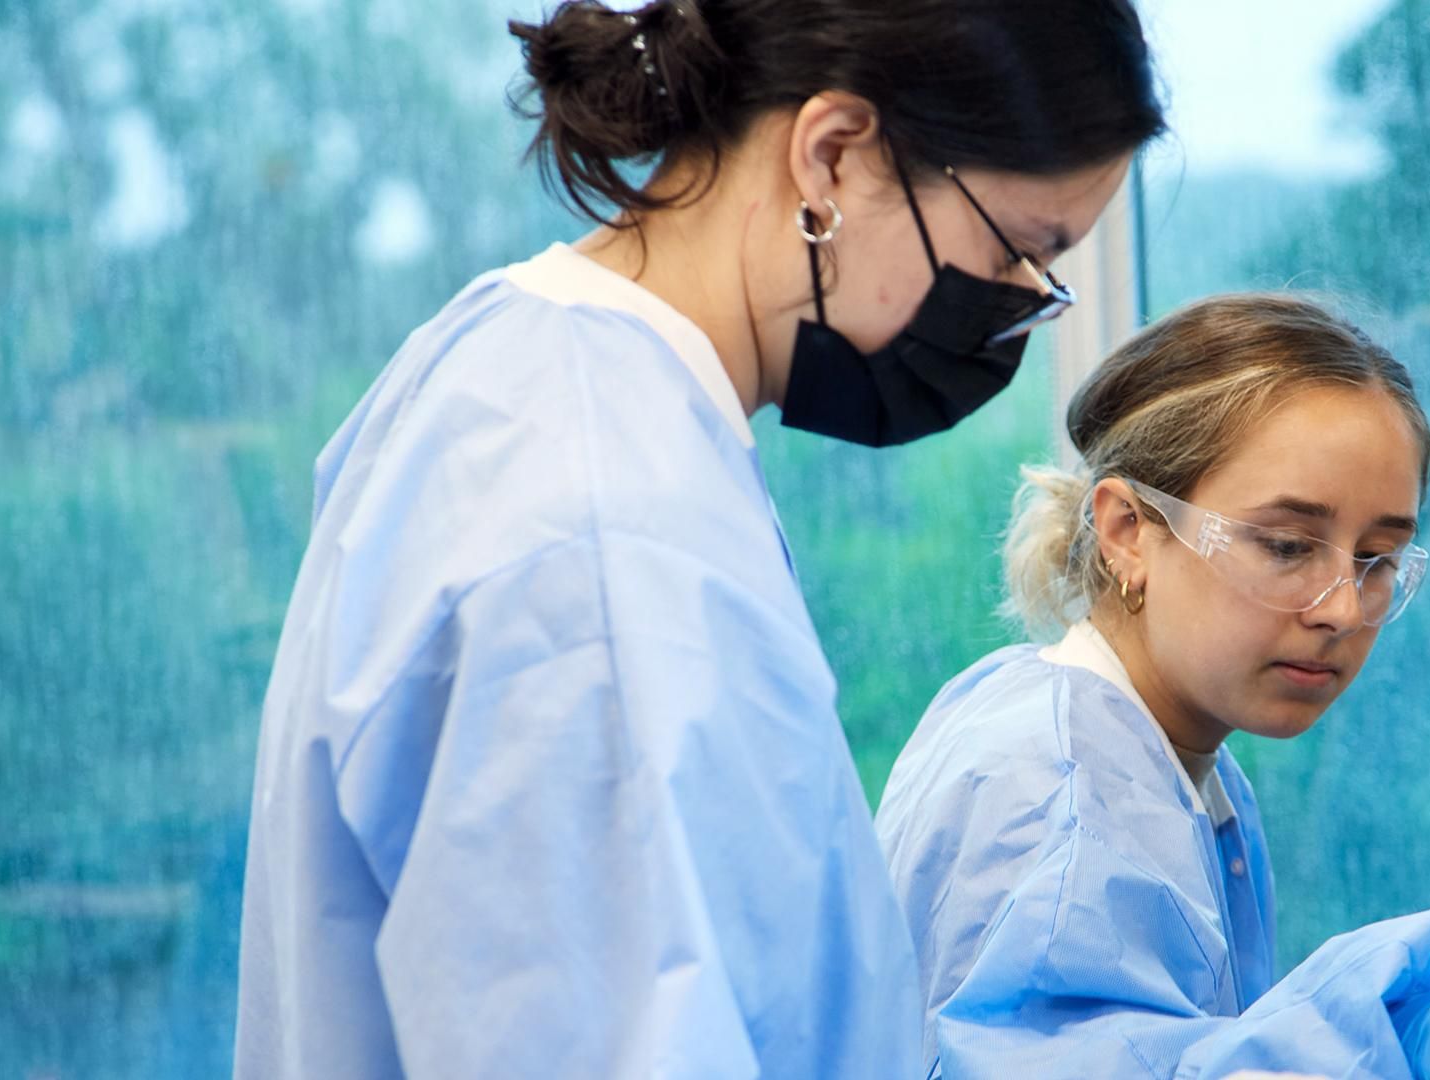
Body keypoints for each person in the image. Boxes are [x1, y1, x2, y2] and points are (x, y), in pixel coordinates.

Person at [233, 1, 1162, 1076]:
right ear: (832, 154)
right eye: (1022, 252)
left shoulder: (528, 374)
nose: (1015, 307)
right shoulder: (603, 531)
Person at [876, 294, 1430, 1079]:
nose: (1342, 608)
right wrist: (1372, 1031)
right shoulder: (1058, 789)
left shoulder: (1158, 758)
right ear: (1128, 532)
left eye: (1376, 559)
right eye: (1285, 546)